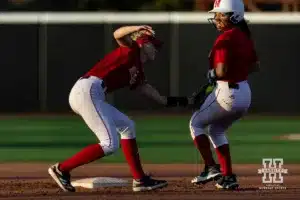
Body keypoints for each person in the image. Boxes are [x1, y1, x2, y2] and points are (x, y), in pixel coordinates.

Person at [48, 25, 189, 192]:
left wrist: (188, 100)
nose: (156, 49)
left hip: (92, 93)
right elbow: (117, 34)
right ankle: (62, 169)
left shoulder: (138, 71)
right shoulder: (131, 49)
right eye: (153, 45)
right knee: (109, 144)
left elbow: (159, 99)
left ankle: (140, 180)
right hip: (88, 90)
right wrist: (137, 27)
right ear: (143, 44)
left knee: (127, 126)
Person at [189, 0, 260, 190]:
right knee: (216, 130)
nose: (217, 18)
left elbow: (221, 71)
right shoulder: (245, 37)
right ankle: (228, 176)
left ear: (234, 16)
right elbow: (255, 67)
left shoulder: (225, 38)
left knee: (195, 123)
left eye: (221, 14)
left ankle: (210, 167)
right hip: (244, 93)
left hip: (227, 91)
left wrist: (212, 75)